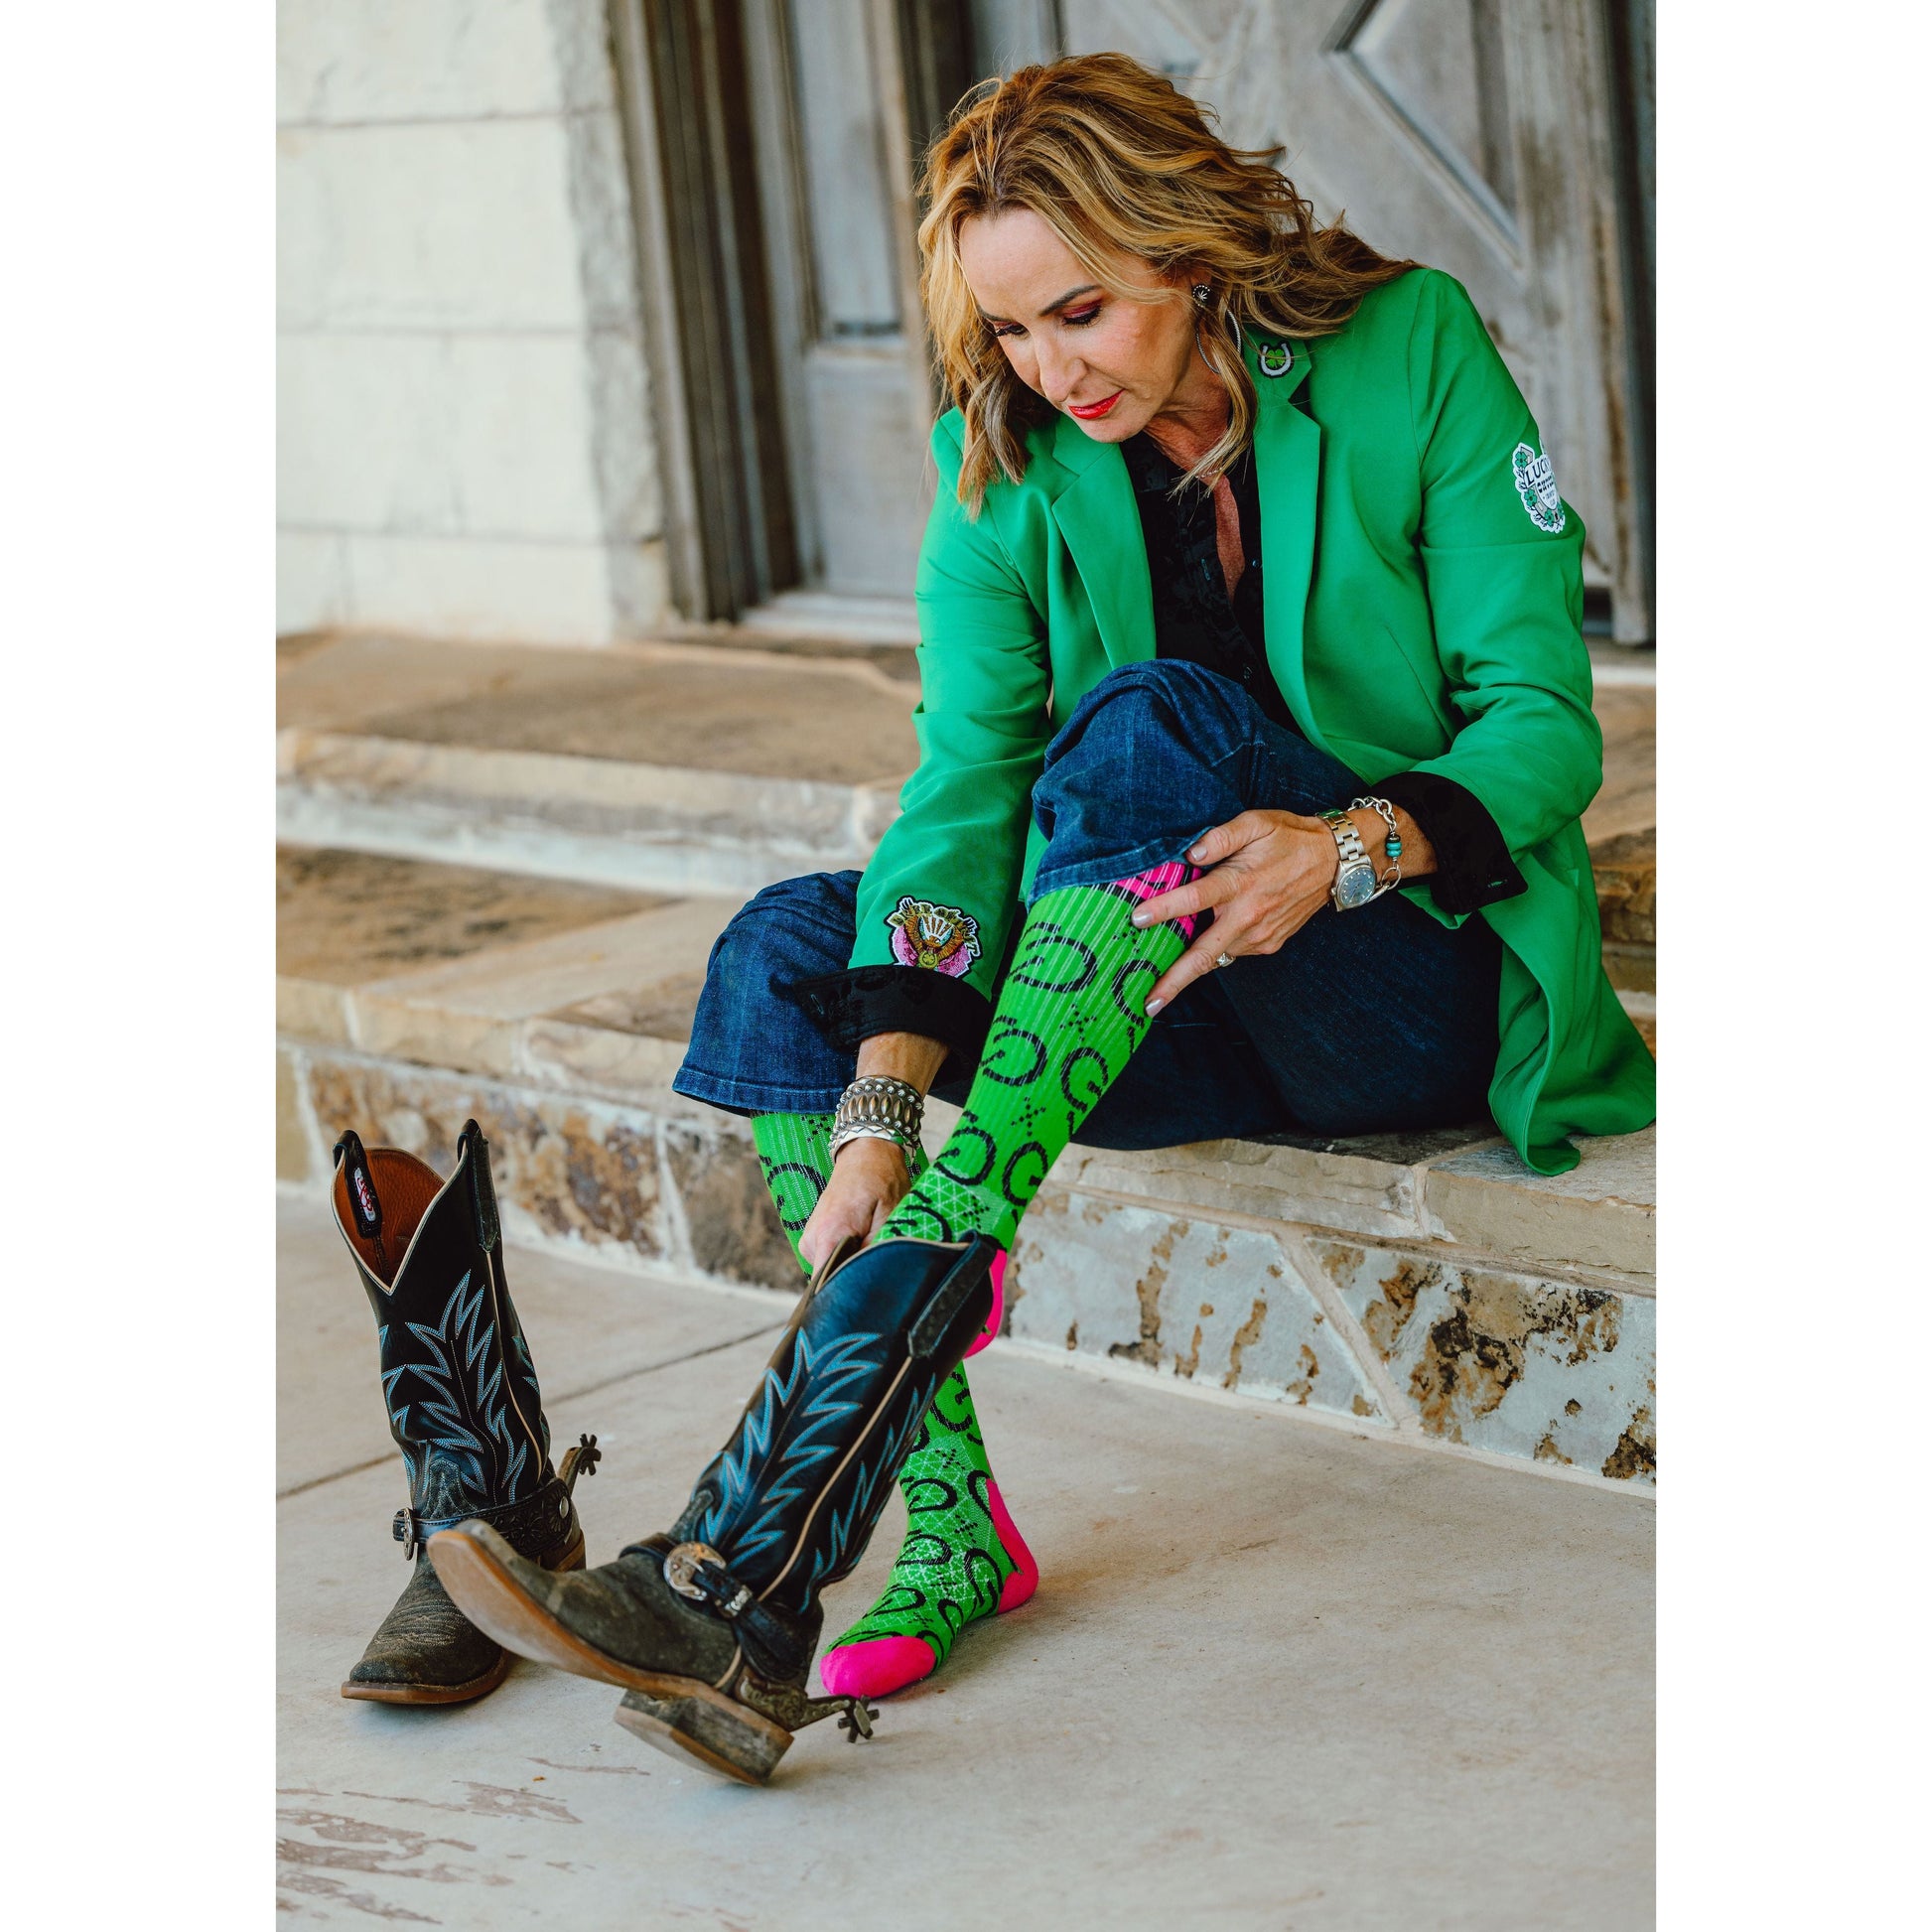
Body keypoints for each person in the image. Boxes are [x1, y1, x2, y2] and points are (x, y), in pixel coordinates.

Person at [419, 51, 1655, 1785]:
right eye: (1007, 330)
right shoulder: (998, 457)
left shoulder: (1409, 347)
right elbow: (965, 787)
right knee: (790, 946)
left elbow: (1541, 720)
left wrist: (1346, 848)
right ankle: (930, 1530)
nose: (1048, 369)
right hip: (1148, 992)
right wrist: (879, 1105)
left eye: (1081, 312)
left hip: (1395, 980)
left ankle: (763, 1527)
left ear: (1188, 250)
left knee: (1151, 724)